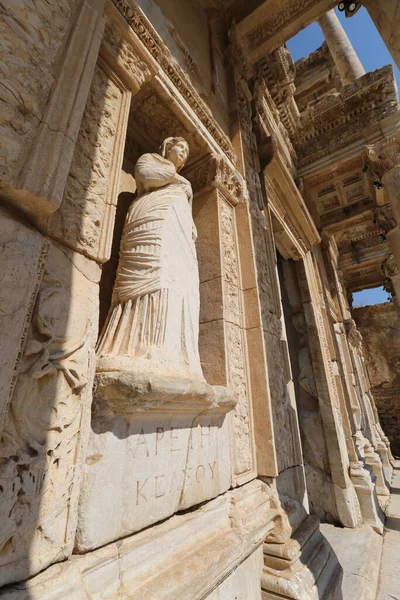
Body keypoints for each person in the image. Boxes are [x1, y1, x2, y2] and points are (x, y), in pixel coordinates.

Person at [97, 137, 204, 379]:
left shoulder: (183, 184)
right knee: (153, 273)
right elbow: (147, 175)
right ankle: (133, 346)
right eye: (181, 146)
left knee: (178, 283)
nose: (184, 152)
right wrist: (178, 178)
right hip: (151, 220)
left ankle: (170, 351)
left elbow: (187, 215)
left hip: (178, 233)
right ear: (167, 147)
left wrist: (190, 229)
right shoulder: (151, 160)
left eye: (187, 150)